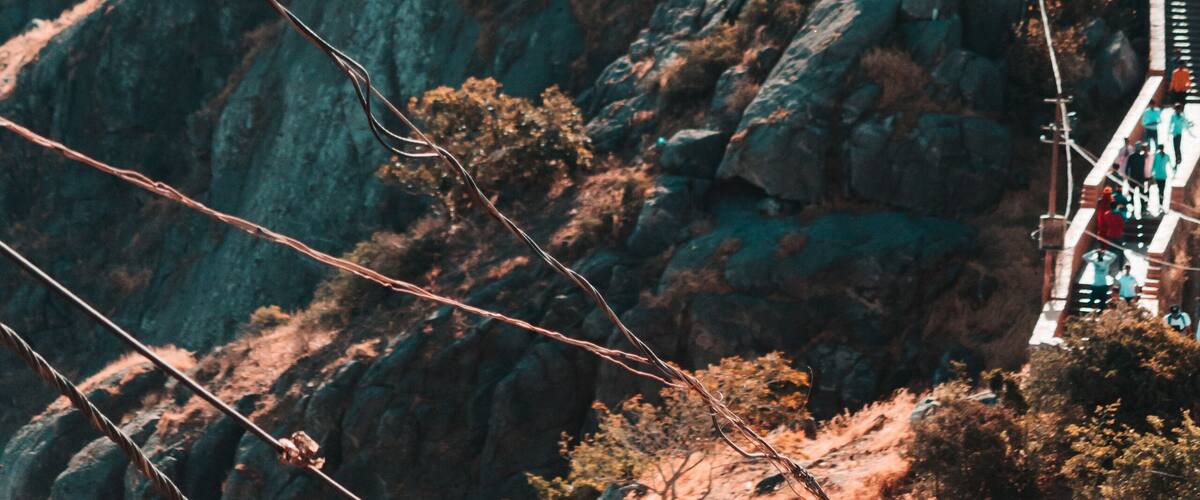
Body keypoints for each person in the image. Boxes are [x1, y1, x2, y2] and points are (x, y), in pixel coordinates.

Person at [1150, 144, 1172, 211]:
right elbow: (1153, 166)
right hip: (1157, 176)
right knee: (1159, 191)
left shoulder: (1166, 156)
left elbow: (1170, 165)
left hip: (1163, 176)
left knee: (1162, 191)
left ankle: (1161, 205)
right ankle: (1160, 205)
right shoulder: (1156, 156)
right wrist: (1151, 174)